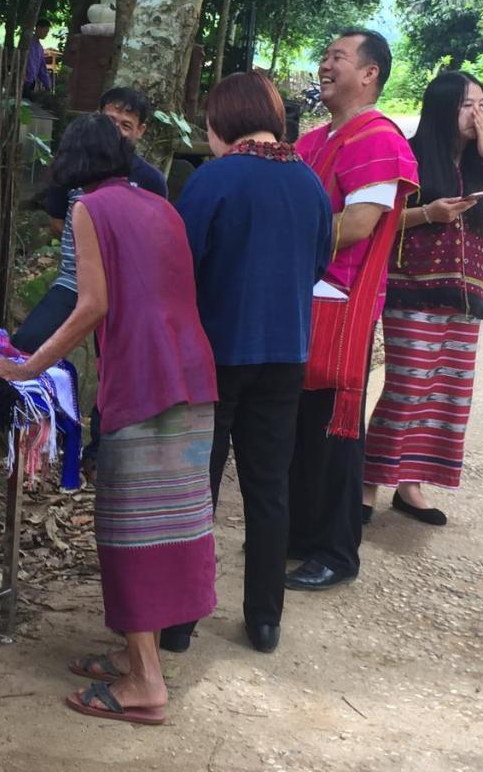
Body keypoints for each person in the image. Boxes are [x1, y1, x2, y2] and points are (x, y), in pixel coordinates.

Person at [0, 113, 218, 726]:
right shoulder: (160, 204)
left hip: (143, 380)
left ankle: (144, 682)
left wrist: (27, 366)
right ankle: (137, 656)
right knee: (175, 524)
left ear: (73, 164)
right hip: (192, 375)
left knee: (130, 530)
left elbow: (92, 305)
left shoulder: (89, 208)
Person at [159, 73, 332, 655]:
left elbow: (181, 267)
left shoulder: (214, 179)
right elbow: (318, 260)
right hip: (285, 353)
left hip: (215, 354)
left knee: (196, 486)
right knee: (268, 486)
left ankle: (179, 622)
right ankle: (264, 620)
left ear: (223, 121)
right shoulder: (308, 182)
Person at [363, 71, 483, 524]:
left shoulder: (482, 163)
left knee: (447, 394)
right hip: (412, 292)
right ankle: (366, 485)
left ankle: (411, 486)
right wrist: (427, 214)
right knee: (407, 388)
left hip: (464, 299)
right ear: (441, 108)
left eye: (481, 103)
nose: (476, 113)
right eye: (465, 105)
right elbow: (375, 222)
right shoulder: (410, 156)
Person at [285, 29, 418, 593]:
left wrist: (287, 247)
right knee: (298, 424)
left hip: (340, 303)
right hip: (301, 296)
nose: (324, 64)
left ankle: (337, 552)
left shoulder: (377, 138)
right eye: (323, 55)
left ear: (370, 74)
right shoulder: (314, 139)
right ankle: (299, 533)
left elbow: (361, 224)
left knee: (336, 429)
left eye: (338, 56)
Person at [13, 86, 167, 353]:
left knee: (116, 366)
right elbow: (58, 221)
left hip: (128, 290)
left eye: (126, 125)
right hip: (75, 280)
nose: (116, 132)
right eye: (110, 122)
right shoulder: (75, 165)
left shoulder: (150, 181)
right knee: (25, 346)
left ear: (140, 131)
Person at [23, 18, 54, 99]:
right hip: (23, 80)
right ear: (39, 28)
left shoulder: (40, 48)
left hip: (31, 82)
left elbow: (42, 69)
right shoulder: (27, 44)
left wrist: (48, 85)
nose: (46, 34)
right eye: (45, 31)